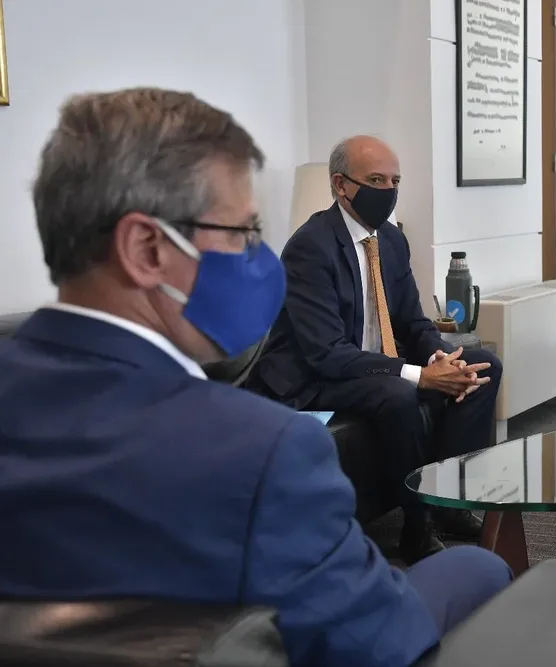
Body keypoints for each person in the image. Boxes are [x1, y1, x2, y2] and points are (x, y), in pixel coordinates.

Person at [0, 88, 512, 667]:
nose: (256, 261)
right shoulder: (263, 450)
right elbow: (373, 639)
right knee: (480, 567)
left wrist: (438, 359)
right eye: (241, 234)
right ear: (146, 248)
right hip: (331, 387)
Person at [247, 136, 502, 564]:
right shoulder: (311, 246)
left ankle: (452, 503)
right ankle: (417, 525)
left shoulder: (390, 240)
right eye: (376, 180)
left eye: (395, 180)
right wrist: (420, 375)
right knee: (398, 393)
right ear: (341, 185)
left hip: (370, 361)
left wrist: (442, 358)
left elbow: (412, 321)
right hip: (312, 376)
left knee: (482, 366)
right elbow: (326, 353)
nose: (387, 190)